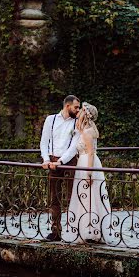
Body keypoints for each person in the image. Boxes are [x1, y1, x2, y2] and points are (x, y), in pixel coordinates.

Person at [53, 102, 111, 243]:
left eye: (81, 110)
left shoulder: (86, 132)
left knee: (90, 198)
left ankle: (91, 231)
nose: (78, 112)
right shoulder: (85, 130)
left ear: (85, 114)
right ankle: (88, 229)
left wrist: (88, 173)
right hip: (84, 163)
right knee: (87, 198)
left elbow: (90, 153)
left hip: (88, 164)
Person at [40, 95, 80, 241]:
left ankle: (74, 233)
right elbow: (44, 142)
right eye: (76, 107)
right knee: (54, 198)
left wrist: (61, 161)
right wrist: (45, 159)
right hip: (52, 162)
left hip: (69, 162)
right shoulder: (51, 120)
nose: (78, 110)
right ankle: (55, 232)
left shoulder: (77, 122)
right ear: (67, 106)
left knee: (72, 198)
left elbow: (74, 146)